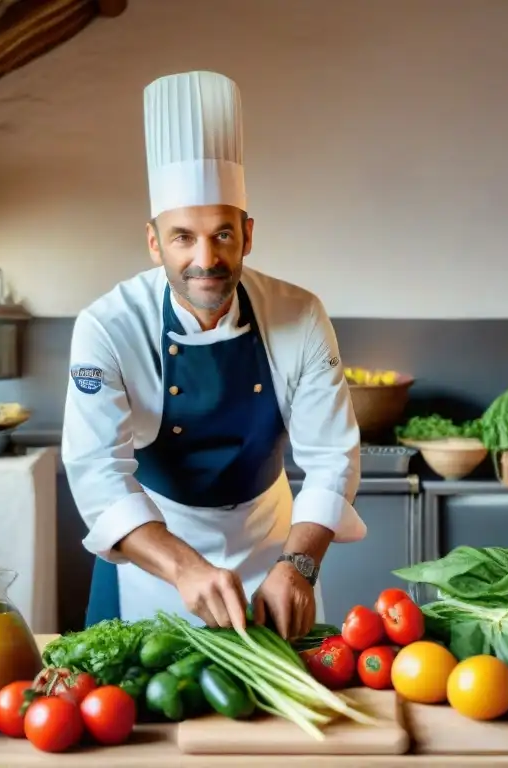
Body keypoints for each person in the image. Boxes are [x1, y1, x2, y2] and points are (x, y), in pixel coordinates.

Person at [61, 70, 366, 640]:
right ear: (155, 243)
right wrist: (183, 567)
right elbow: (97, 473)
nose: (206, 259)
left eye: (222, 234)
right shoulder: (107, 326)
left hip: (274, 550)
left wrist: (298, 565)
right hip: (154, 557)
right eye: (183, 237)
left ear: (247, 234)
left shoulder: (300, 316)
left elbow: (331, 458)